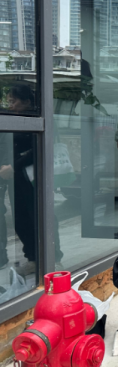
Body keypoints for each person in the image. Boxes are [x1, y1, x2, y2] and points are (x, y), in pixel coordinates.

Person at [0, 85, 64, 277]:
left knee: (41, 217)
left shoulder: (39, 118)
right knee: (21, 220)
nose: (10, 105)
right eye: (8, 101)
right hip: (15, 178)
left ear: (27, 102)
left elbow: (39, 148)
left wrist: (14, 166)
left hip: (35, 177)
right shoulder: (11, 118)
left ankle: (54, 258)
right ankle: (33, 260)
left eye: (13, 101)